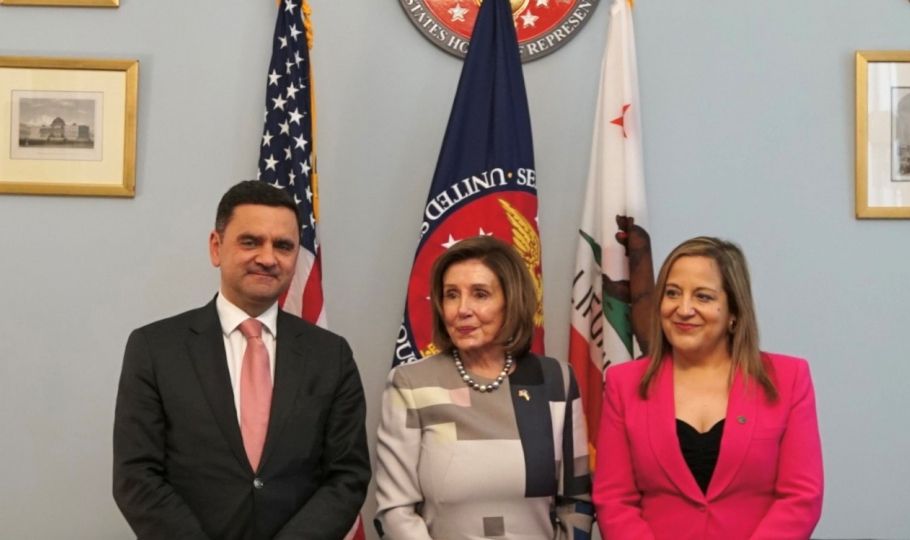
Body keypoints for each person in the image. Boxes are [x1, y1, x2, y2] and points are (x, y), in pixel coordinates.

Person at [113, 180, 370, 540]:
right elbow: (136, 476)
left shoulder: (331, 355)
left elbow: (348, 475)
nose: (267, 258)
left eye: (283, 246)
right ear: (216, 247)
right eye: (250, 242)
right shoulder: (154, 348)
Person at [594, 236, 823, 539]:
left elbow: (801, 496)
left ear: (733, 312)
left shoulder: (788, 378)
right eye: (673, 293)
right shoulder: (625, 384)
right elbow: (614, 500)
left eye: (703, 297)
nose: (684, 309)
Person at [374, 235, 593, 539]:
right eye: (451, 295)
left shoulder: (556, 381)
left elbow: (577, 503)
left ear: (511, 300)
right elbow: (395, 510)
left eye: (480, 294)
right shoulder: (411, 384)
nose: (462, 309)